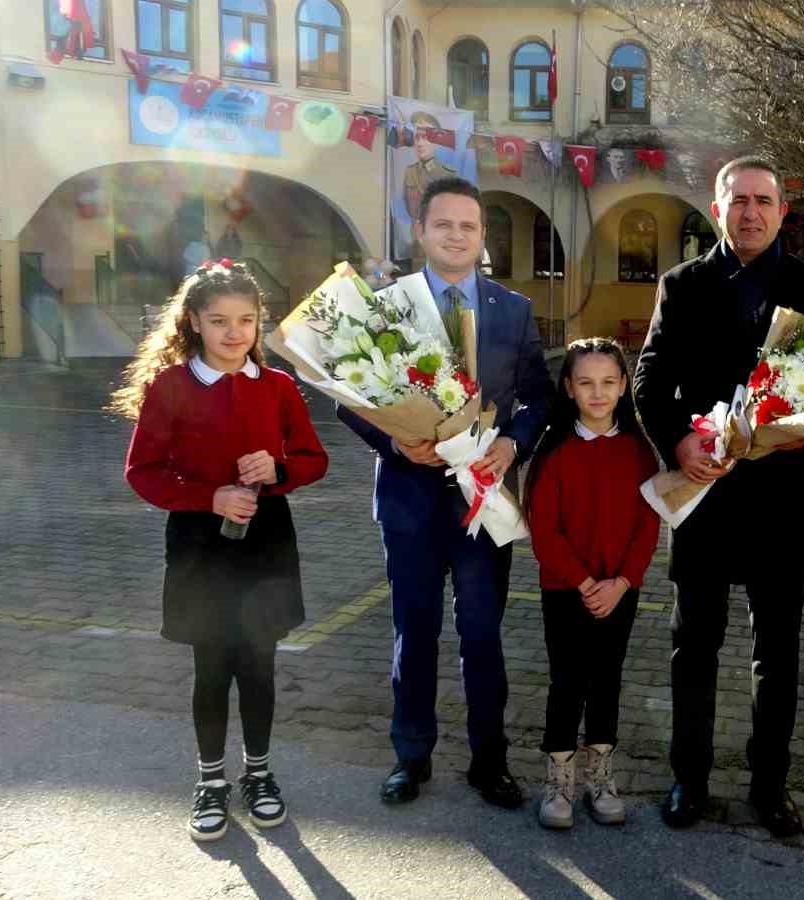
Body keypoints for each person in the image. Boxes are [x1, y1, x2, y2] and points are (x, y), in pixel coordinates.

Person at [633, 156, 804, 837]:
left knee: (777, 653)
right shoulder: (683, 284)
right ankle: (688, 779)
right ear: (717, 209)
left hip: (780, 500)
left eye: (763, 201)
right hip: (705, 492)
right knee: (695, 645)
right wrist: (675, 445)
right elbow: (650, 378)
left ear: (782, 211)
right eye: (738, 200)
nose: (750, 212)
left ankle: (769, 787)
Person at [338, 176, 551, 809]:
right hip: (410, 500)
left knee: (482, 634)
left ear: (482, 236)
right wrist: (394, 443)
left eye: (469, 226)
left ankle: (490, 759)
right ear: (421, 232)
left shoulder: (512, 310)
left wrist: (513, 443)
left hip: (483, 500)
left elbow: (539, 396)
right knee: (416, 631)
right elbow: (349, 396)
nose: (457, 236)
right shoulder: (386, 307)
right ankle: (411, 757)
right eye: (444, 225)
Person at [113, 261, 329, 842]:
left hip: (266, 545)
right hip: (199, 546)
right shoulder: (171, 386)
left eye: (246, 320)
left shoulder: (279, 386)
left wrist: (278, 468)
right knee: (212, 667)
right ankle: (211, 782)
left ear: (260, 323)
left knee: (259, 664)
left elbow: (313, 459)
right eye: (219, 321)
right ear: (193, 323)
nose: (234, 333)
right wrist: (210, 497)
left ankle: (259, 774)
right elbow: (143, 472)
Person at [524, 338, 661, 830]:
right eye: (586, 383)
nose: (598, 393)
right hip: (567, 589)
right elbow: (544, 530)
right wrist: (585, 582)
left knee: (607, 678)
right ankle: (558, 778)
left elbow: (649, 523)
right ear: (569, 388)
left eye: (608, 382)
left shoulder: (639, 452)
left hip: (620, 589)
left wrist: (623, 581)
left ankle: (601, 775)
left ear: (624, 386)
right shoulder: (555, 451)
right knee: (566, 680)